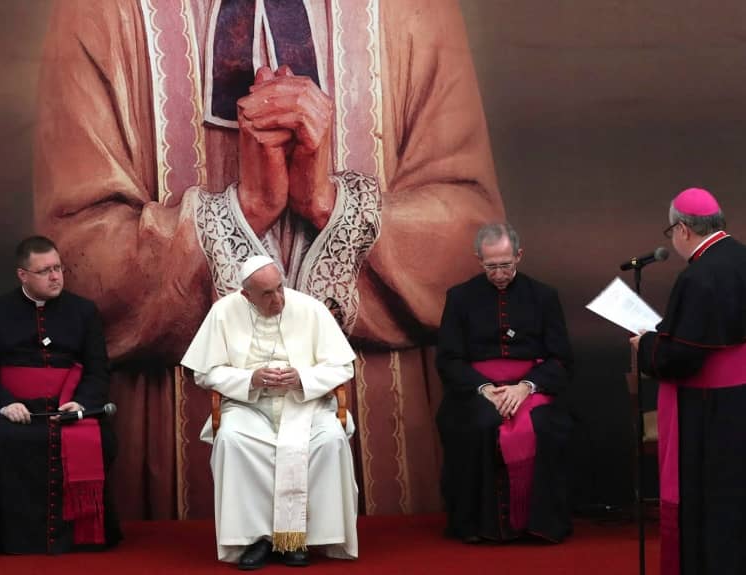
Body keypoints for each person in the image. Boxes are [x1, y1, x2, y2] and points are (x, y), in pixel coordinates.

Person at [35, 0, 503, 518]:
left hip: (379, 408)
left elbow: (471, 242)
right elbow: (73, 262)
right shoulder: (101, 10)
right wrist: (243, 212)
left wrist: (329, 206)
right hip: (176, 421)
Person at [180, 255, 358, 569]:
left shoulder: (310, 309)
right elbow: (203, 374)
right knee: (232, 441)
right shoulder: (223, 313)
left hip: (305, 405)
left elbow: (343, 366)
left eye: (280, 289)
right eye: (267, 294)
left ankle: (300, 537)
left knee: (330, 439)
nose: (278, 299)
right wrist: (250, 379)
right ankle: (256, 539)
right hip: (249, 406)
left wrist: (303, 378)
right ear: (246, 295)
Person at [0, 235, 121, 556]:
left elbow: (98, 368)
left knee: (101, 438)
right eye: (45, 271)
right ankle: (14, 540)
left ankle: (80, 537)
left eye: (58, 268)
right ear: (23, 275)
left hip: (69, 405)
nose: (55, 276)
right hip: (16, 410)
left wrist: (82, 403)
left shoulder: (83, 312)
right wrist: (4, 404)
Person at [631, 188, 746, 575]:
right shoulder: (741, 256)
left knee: (709, 500)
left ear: (682, 229)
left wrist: (645, 345)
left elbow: (680, 358)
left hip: (707, 410)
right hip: (740, 399)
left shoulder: (698, 275)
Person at [436, 223, 574, 543]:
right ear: (478, 259)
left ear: (519, 255)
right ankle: (479, 527)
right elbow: (448, 359)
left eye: (505, 265)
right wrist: (484, 389)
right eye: (491, 266)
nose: (499, 273)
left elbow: (561, 358)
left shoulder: (544, 296)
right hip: (478, 389)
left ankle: (537, 524)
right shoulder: (460, 298)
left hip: (531, 388)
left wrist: (526, 386)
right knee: (479, 423)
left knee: (540, 425)